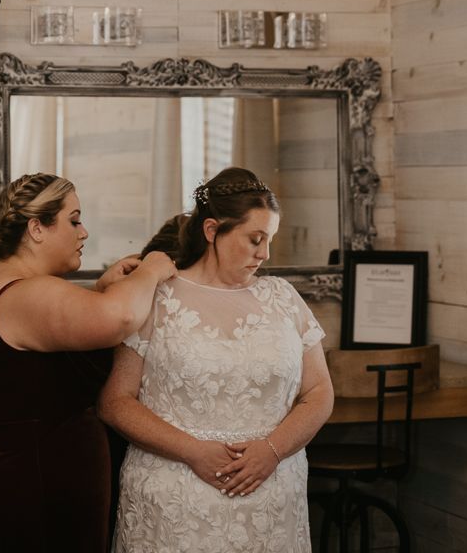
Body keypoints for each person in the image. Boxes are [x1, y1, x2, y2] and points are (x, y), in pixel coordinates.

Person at [0, 172, 176, 553]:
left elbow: (30, 370)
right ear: (37, 228)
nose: (83, 232)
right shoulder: (25, 292)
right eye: (73, 220)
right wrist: (152, 270)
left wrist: (101, 290)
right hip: (24, 493)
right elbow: (119, 318)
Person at [98, 167, 334, 553]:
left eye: (270, 240)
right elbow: (114, 402)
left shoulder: (285, 298)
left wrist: (272, 449)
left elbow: (319, 391)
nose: (265, 254)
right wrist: (193, 451)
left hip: (272, 498)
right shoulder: (158, 297)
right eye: (256, 239)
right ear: (212, 230)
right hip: (174, 501)